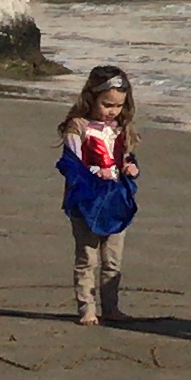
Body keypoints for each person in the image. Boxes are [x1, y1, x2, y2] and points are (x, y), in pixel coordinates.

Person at [58, 66, 140, 325]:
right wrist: (95, 172)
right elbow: (71, 164)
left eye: (118, 106)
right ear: (91, 97)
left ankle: (111, 307)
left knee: (113, 260)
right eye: (107, 104)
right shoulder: (78, 127)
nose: (112, 111)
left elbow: (125, 156)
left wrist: (130, 167)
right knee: (87, 257)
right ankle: (87, 308)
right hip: (86, 201)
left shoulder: (120, 128)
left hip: (116, 200)